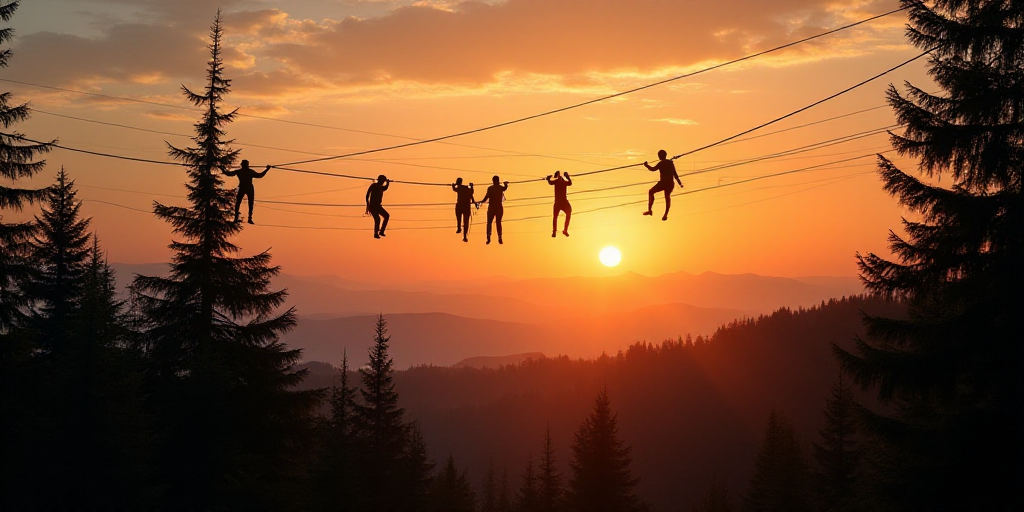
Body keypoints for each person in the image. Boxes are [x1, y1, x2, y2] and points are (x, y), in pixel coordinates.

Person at [224, 159, 270, 224]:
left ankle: (243, 218)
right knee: (243, 203)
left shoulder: (243, 171)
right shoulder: (245, 171)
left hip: (246, 187)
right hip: (246, 187)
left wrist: (267, 169)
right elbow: (260, 175)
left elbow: (229, 174)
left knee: (245, 203)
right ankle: (244, 218)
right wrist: (267, 169)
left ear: (242, 165)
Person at [643, 149, 683, 221]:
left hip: (665, 183)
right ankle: (653, 211)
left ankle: (657, 212)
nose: (658, 157)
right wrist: (679, 183)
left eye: (659, 156)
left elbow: (653, 169)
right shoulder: (670, 163)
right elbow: (675, 174)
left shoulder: (662, 163)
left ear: (661, 156)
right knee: (663, 196)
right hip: (668, 183)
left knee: (655, 193)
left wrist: (646, 165)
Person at [477, 175, 508, 245]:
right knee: (498, 222)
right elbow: (505, 188)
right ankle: (499, 237)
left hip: (492, 207)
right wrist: (506, 184)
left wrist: (481, 202)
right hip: (498, 207)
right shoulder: (500, 188)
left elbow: (486, 197)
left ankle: (489, 237)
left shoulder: (491, 188)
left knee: (490, 222)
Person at [546, 171, 572, 237]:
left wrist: (567, 177)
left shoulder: (562, 182)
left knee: (567, 214)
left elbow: (570, 183)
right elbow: (550, 182)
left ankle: (564, 230)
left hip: (562, 202)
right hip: (559, 202)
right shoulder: (557, 182)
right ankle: (555, 231)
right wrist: (548, 179)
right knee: (555, 217)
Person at [365, 175, 391, 239]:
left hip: (378, 206)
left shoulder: (381, 187)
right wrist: (368, 204)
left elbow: (385, 187)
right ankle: (376, 233)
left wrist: (388, 182)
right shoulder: (374, 185)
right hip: (373, 206)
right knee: (377, 219)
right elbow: (367, 194)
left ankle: (381, 231)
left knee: (386, 216)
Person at [451, 178, 476, 243]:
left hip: (461, 206)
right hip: (466, 207)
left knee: (459, 218)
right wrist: (472, 187)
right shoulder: (467, 189)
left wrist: (453, 185)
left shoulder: (460, 188)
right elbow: (472, 193)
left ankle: (459, 228)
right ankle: (464, 235)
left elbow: (454, 189)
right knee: (466, 222)